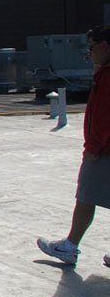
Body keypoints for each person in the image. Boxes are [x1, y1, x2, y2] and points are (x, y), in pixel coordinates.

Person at [37, 25, 110, 266]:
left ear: (104, 45)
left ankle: (70, 246)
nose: (90, 54)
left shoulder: (108, 75)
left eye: (91, 48)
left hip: (104, 150)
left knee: (86, 195)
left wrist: (93, 146)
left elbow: (103, 116)